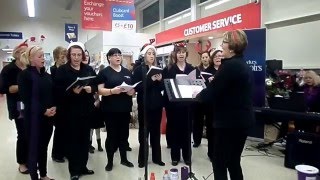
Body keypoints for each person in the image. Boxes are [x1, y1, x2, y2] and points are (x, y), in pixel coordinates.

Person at [196, 29, 255, 180]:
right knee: (234, 161)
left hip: (229, 123)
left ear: (232, 46)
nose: (221, 46)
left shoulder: (229, 66)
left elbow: (211, 92)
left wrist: (197, 95)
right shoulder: (242, 64)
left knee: (220, 162)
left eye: (224, 42)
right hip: (242, 121)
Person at [55, 42, 96, 180]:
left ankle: (83, 167)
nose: (76, 57)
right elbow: (57, 91)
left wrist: (92, 89)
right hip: (69, 112)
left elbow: (95, 83)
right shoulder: (62, 70)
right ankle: (74, 170)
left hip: (86, 110)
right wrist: (72, 92)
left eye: (79, 54)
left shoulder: (88, 69)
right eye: (73, 54)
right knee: (73, 142)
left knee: (85, 141)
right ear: (69, 55)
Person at [18, 45, 55, 180]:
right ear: (31, 59)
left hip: (48, 118)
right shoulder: (25, 75)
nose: (43, 59)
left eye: (43, 56)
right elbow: (27, 98)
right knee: (34, 148)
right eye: (40, 56)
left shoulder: (47, 75)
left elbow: (52, 94)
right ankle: (34, 176)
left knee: (43, 147)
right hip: (33, 119)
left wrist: (53, 108)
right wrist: (43, 110)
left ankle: (43, 175)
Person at [97, 48, 135, 171]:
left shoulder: (127, 72)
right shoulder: (104, 72)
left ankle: (124, 159)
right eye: (114, 55)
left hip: (125, 109)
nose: (118, 57)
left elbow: (133, 90)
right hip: (110, 110)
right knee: (112, 136)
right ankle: (110, 161)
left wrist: (131, 91)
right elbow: (100, 90)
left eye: (119, 55)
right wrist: (112, 91)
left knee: (124, 135)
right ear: (109, 58)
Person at [163, 43, 196, 166]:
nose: (181, 54)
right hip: (173, 106)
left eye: (183, 52)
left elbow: (196, 87)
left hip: (187, 105)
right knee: (174, 131)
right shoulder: (169, 69)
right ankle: (175, 157)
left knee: (187, 131)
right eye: (178, 52)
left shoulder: (192, 69)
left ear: (186, 54)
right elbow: (165, 88)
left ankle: (187, 156)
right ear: (175, 54)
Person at [132, 44, 165, 168]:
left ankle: (157, 158)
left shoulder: (158, 68)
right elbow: (137, 87)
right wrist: (151, 80)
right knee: (144, 133)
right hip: (145, 105)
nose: (151, 56)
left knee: (156, 132)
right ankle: (143, 159)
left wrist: (160, 80)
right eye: (149, 53)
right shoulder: (139, 69)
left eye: (153, 54)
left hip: (157, 105)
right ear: (144, 55)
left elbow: (162, 87)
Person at [0, 41, 29, 174]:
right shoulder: (9, 70)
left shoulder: (30, 67)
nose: (25, 54)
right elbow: (4, 88)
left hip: (32, 105)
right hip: (18, 105)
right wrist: (22, 85)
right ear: (16, 54)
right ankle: (22, 163)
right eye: (23, 52)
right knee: (22, 134)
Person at [193, 50, 222, 161]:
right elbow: (201, 87)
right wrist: (209, 82)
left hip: (222, 105)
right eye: (215, 56)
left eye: (220, 56)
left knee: (221, 131)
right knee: (211, 129)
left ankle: (221, 152)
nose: (218, 58)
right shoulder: (208, 71)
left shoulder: (225, 69)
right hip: (210, 105)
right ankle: (211, 153)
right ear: (212, 59)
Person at [84, 50, 104, 153]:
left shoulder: (90, 70)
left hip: (92, 104)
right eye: (84, 55)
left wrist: (97, 99)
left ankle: (92, 145)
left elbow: (96, 87)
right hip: (79, 105)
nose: (86, 57)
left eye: (87, 55)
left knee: (93, 127)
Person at [50, 46, 67, 163]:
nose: (64, 59)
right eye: (62, 56)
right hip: (57, 103)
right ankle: (56, 154)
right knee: (60, 129)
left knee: (66, 129)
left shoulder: (66, 69)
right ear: (56, 57)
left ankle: (65, 152)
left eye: (65, 56)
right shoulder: (52, 70)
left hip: (67, 102)